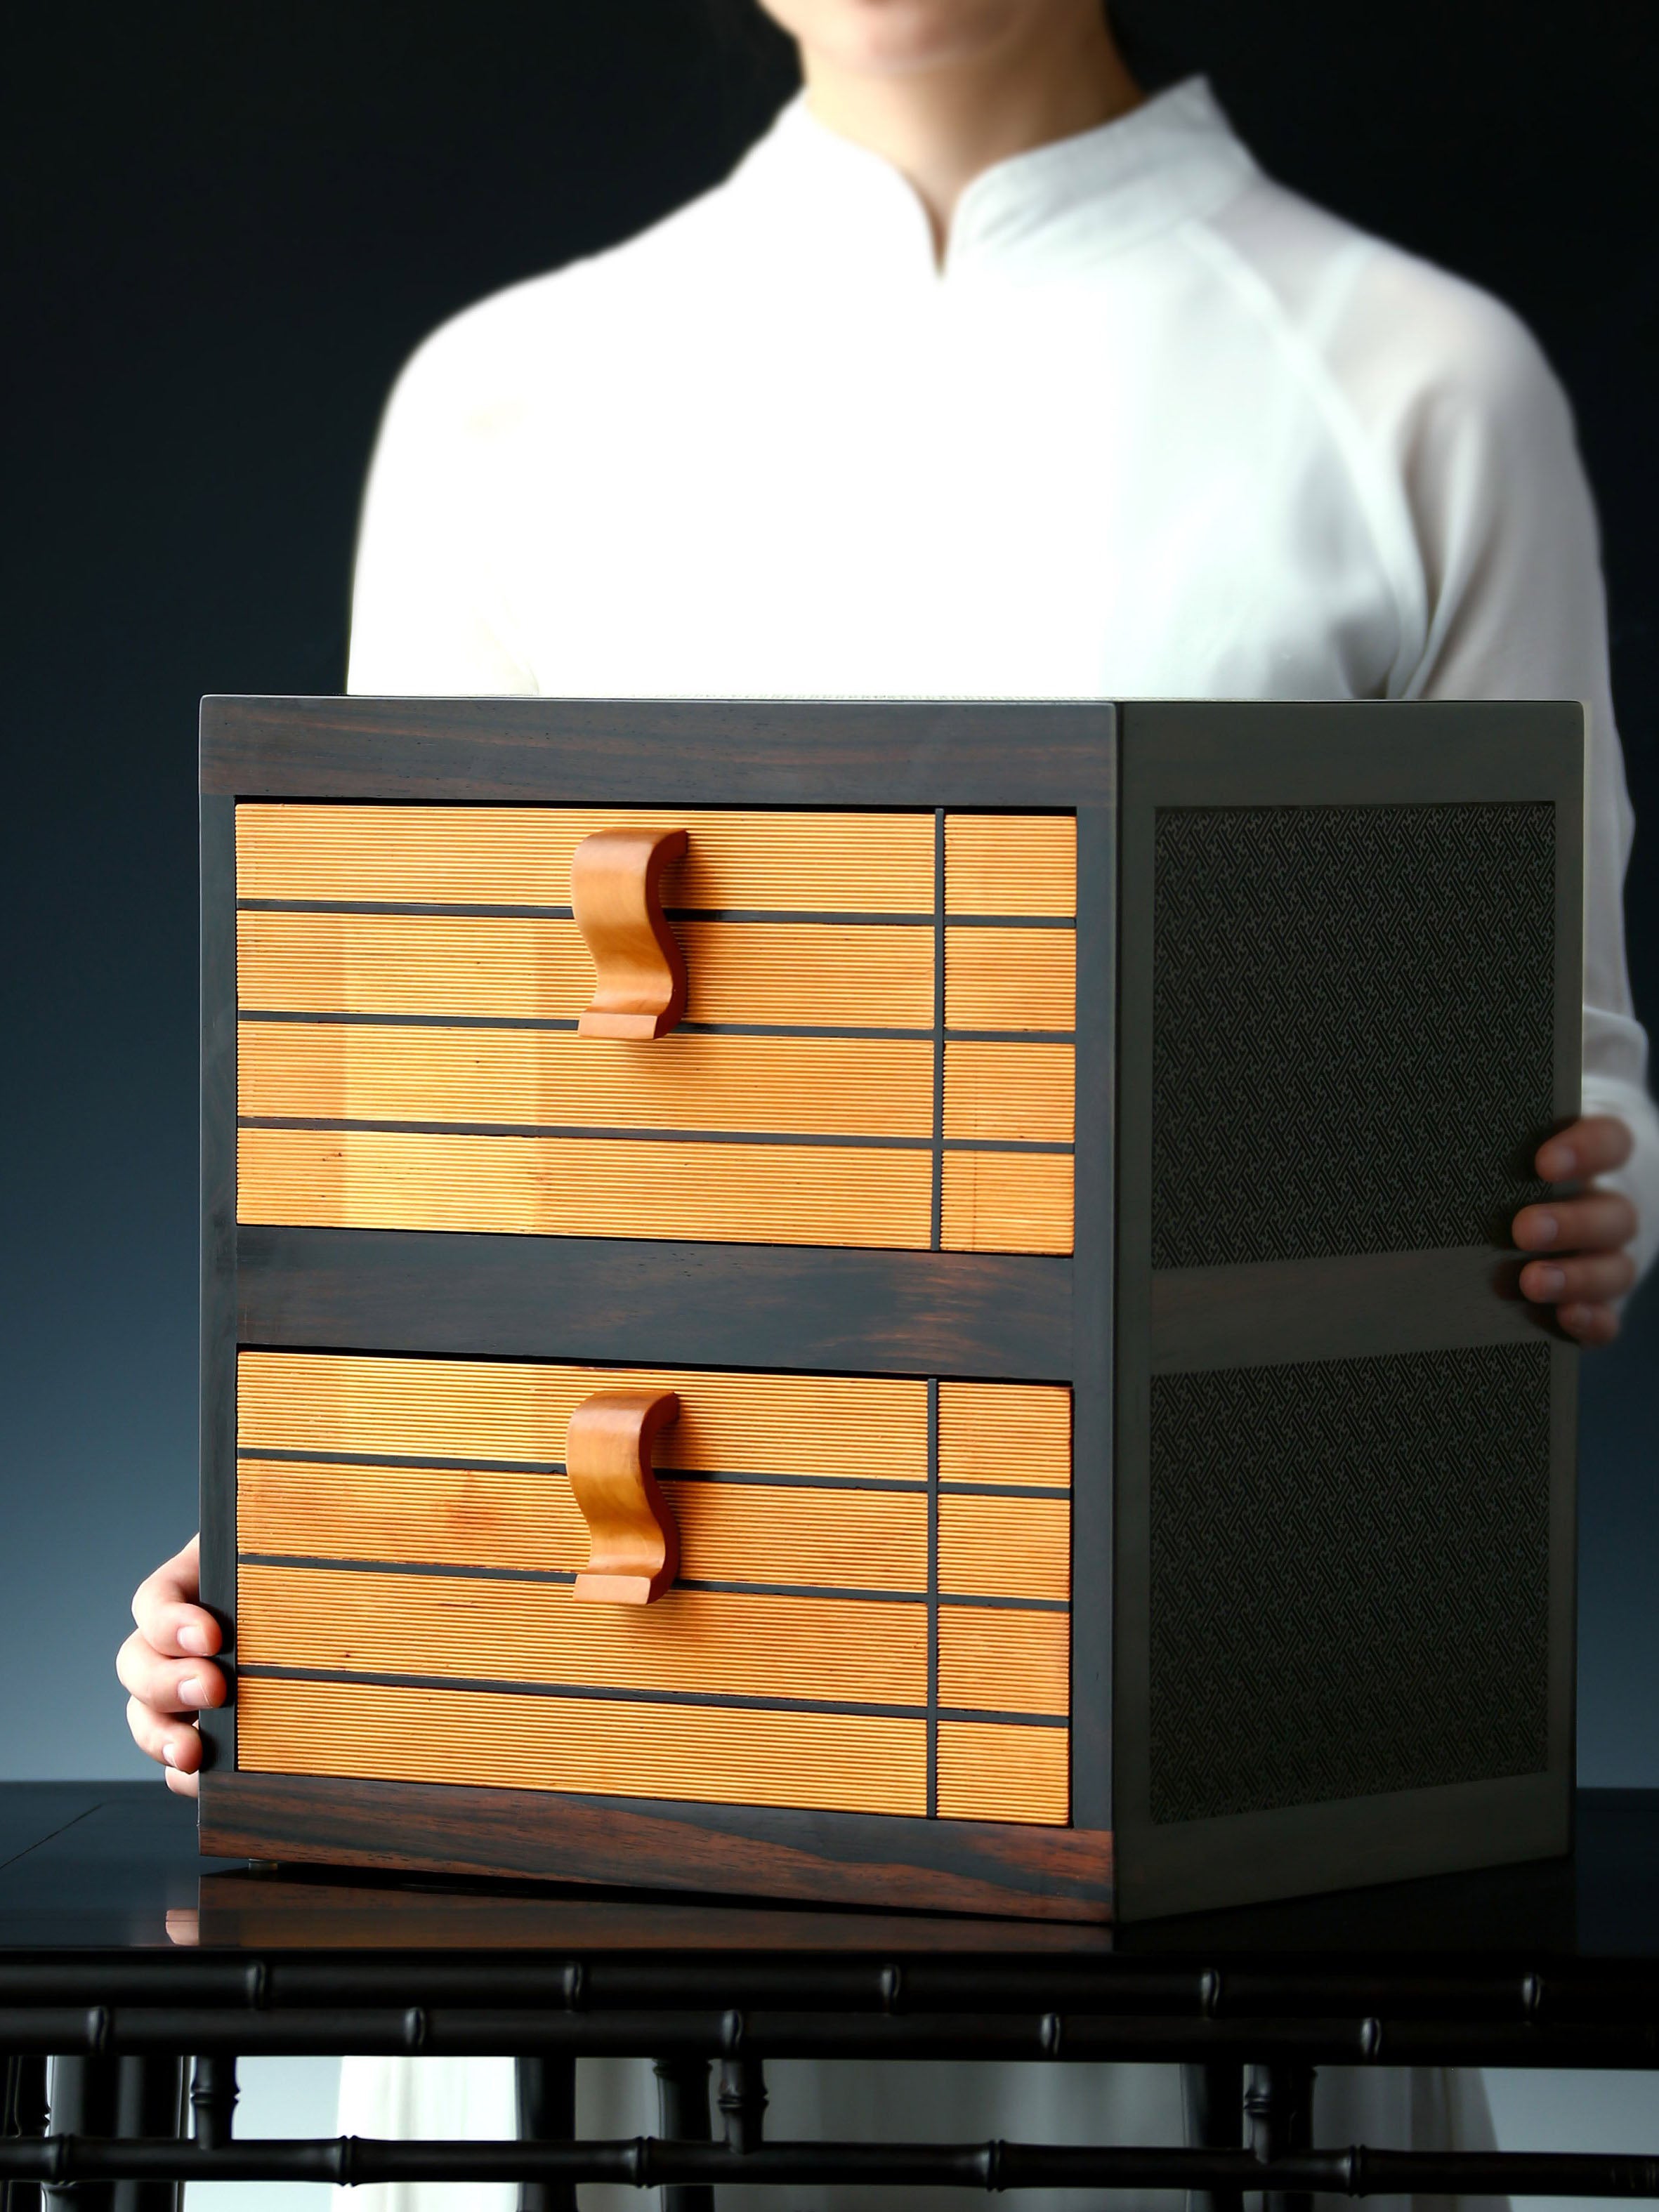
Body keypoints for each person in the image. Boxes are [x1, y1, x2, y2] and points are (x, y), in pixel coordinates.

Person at [119, 0, 1657, 2205]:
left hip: (1168, 1741)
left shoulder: (1415, 373)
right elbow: (403, 1127)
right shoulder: (502, 393)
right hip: (600, 1719)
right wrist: (334, 1555)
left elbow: (1559, 1053)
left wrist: (1599, 1199)